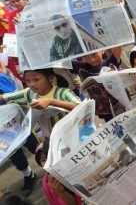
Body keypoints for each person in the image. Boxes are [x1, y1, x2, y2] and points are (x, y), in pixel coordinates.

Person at [0, 68, 81, 196]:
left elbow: (80, 106)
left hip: (69, 140)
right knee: (60, 174)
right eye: (27, 80)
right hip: (48, 143)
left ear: (50, 79)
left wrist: (51, 102)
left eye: (36, 79)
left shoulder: (62, 93)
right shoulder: (29, 94)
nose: (31, 84)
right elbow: (5, 97)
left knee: (75, 168)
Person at [35, 140, 82, 205]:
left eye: (50, 157)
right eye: (43, 160)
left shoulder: (71, 169)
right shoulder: (46, 183)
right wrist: (60, 192)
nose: (48, 162)